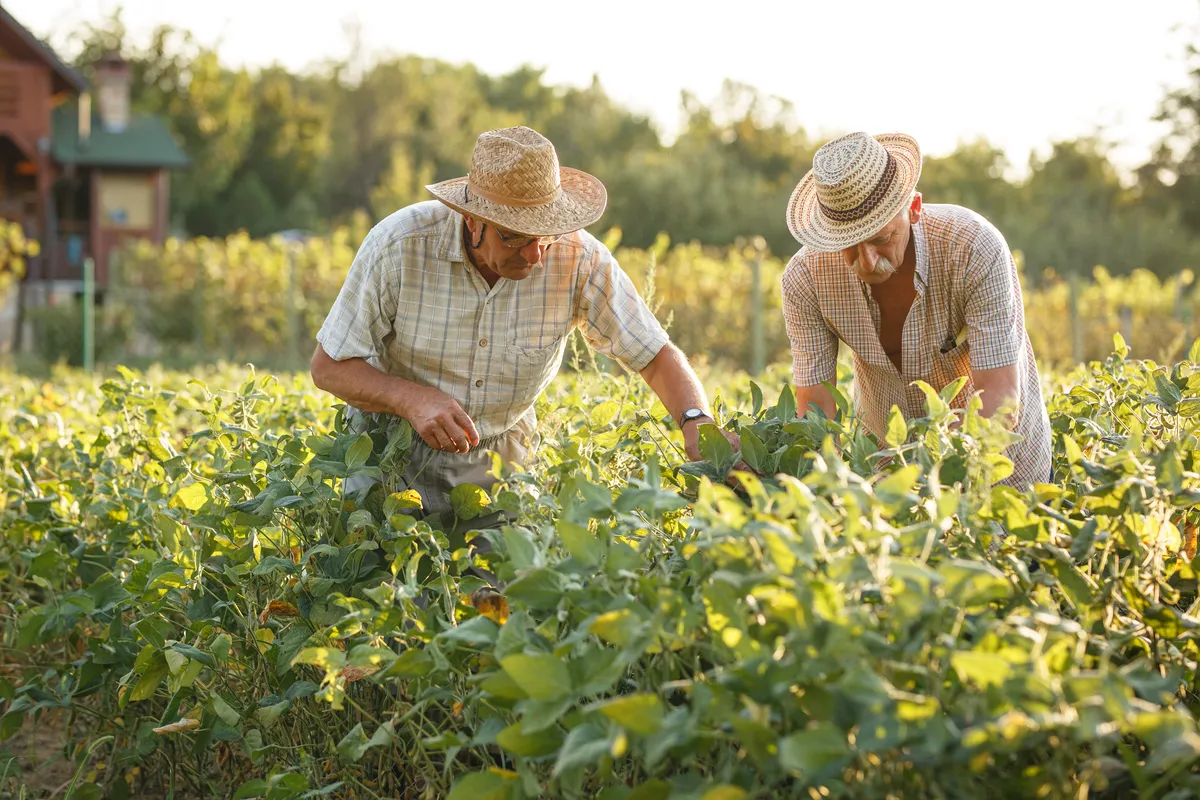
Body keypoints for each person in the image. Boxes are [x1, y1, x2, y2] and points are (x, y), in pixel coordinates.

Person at [311, 125, 736, 524]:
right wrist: (409, 399)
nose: (534, 255)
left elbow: (654, 354)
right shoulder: (399, 246)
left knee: (497, 593)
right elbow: (328, 366)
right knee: (377, 586)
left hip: (500, 463)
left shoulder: (579, 258)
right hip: (388, 454)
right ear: (472, 219)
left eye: (545, 235)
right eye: (515, 236)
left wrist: (696, 420)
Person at [780, 131, 1051, 487]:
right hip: (888, 476)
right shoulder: (805, 279)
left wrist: (946, 481)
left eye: (881, 238)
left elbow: (999, 398)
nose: (867, 261)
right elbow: (816, 407)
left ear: (914, 208)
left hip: (999, 469)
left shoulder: (972, 248)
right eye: (848, 245)